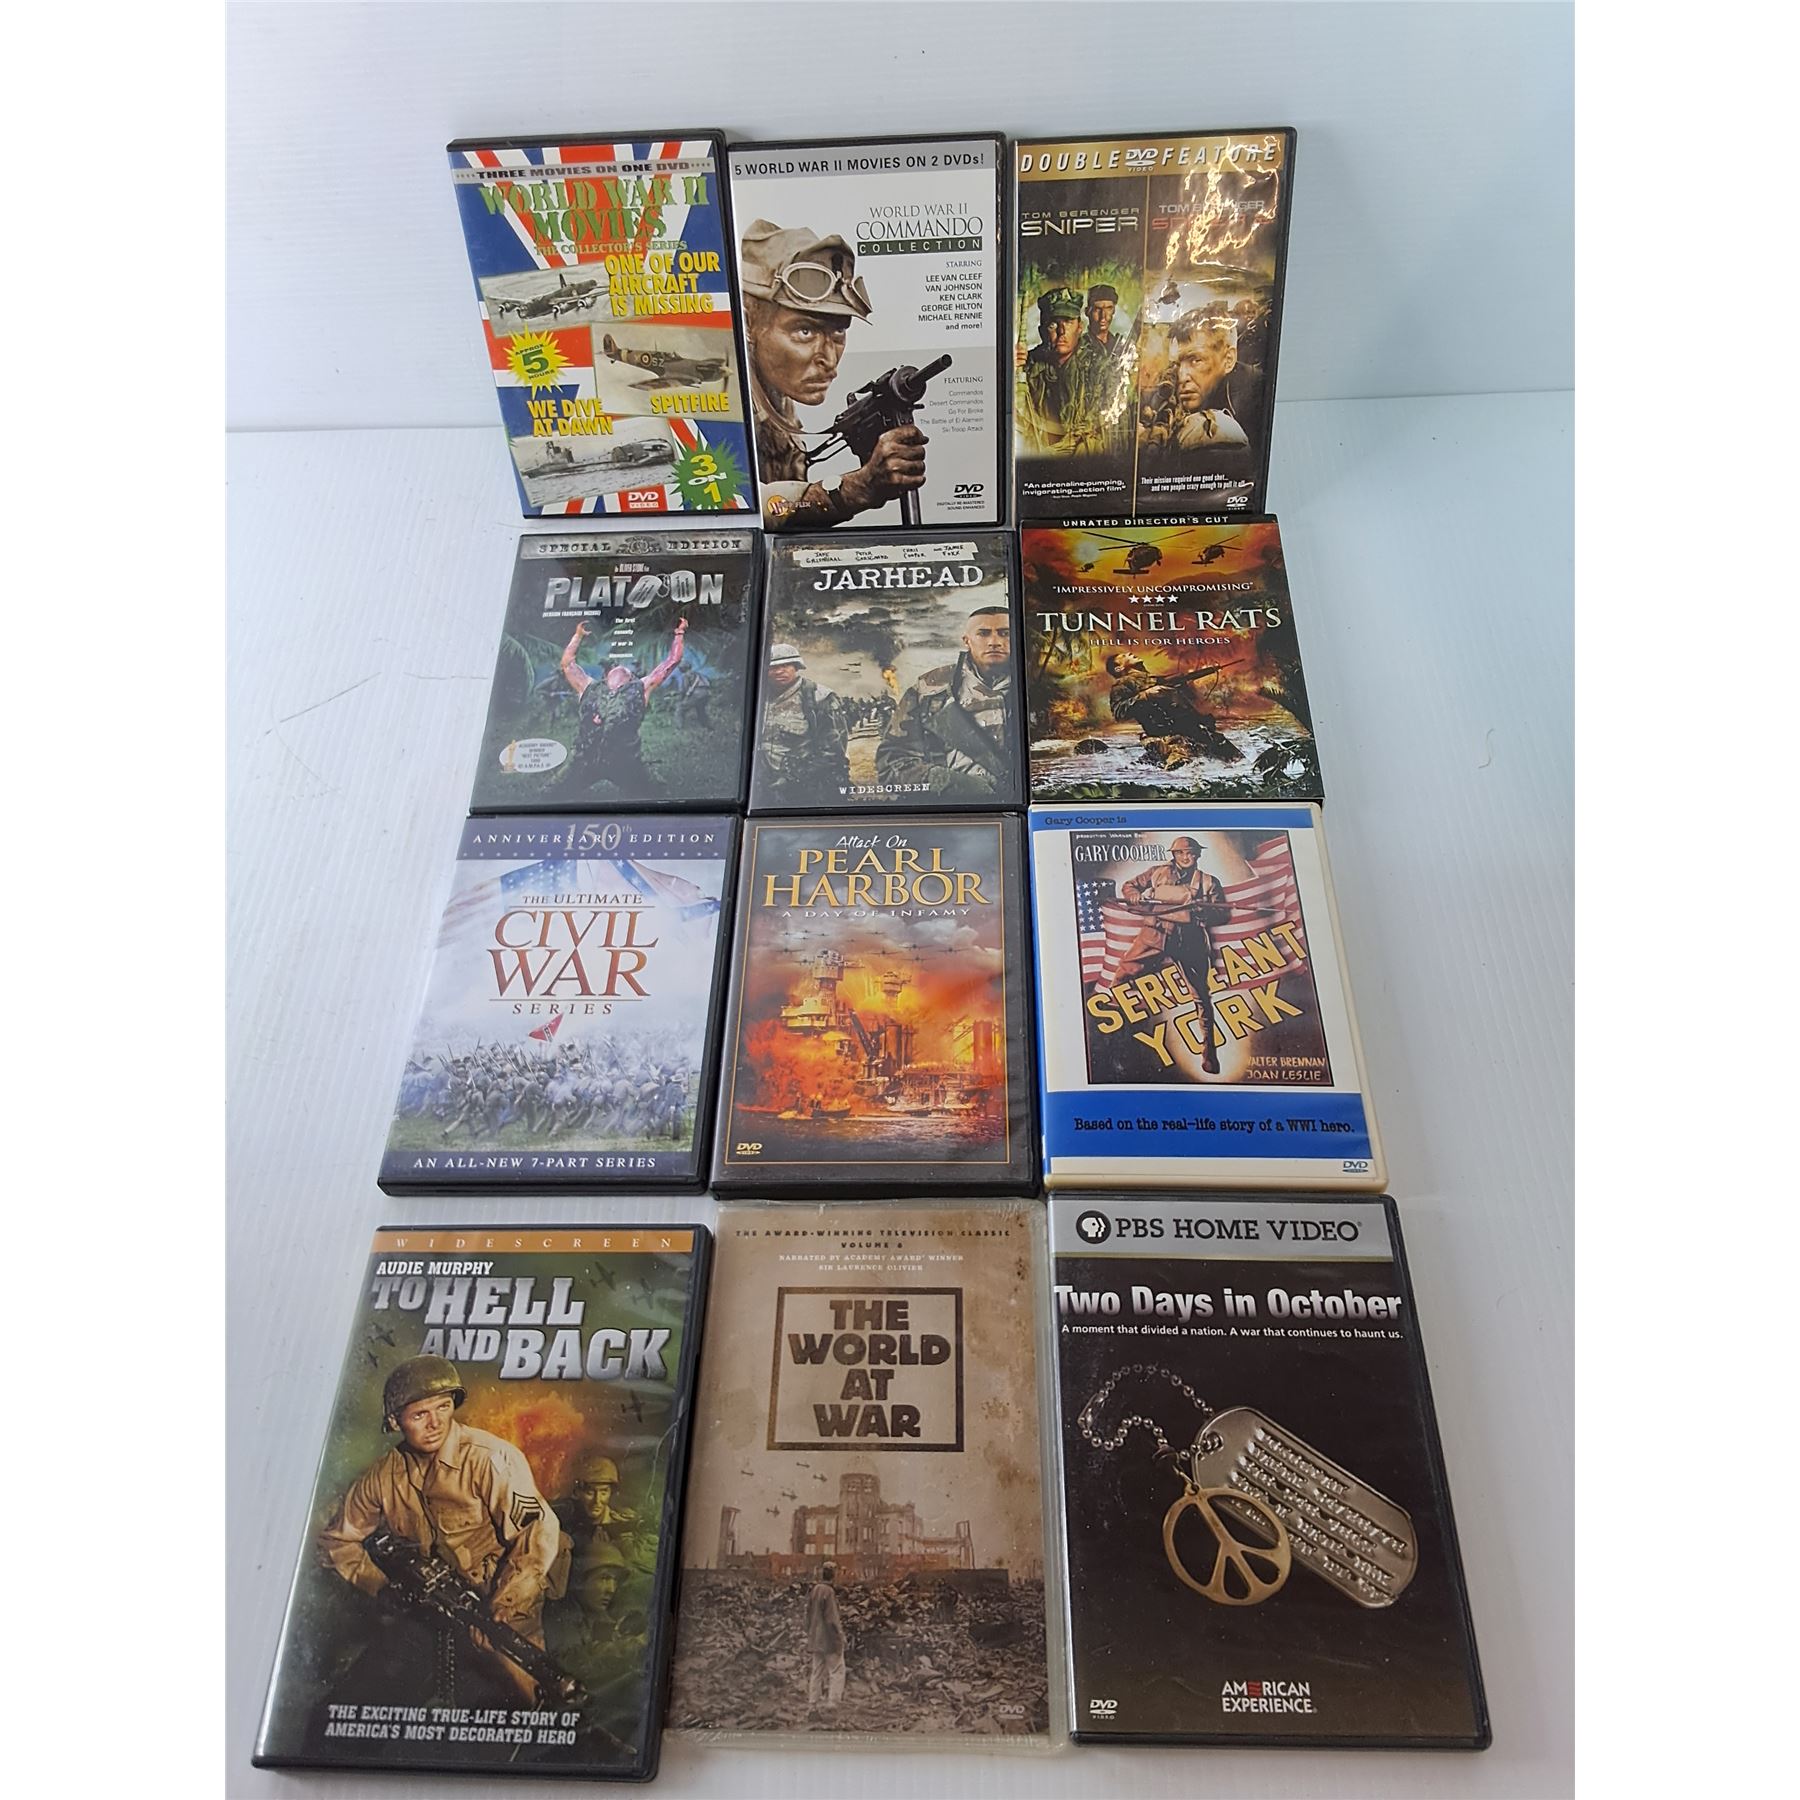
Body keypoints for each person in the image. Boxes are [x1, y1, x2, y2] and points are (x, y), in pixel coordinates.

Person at [317, 1356, 561, 1705]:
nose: (436, 1423)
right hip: (426, 1613)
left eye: (443, 1407)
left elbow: (537, 1534)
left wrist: (504, 1605)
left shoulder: (489, 1458)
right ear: (395, 1420)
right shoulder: (384, 1477)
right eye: (420, 1415)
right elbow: (337, 1541)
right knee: (359, 1700)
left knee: (532, 1702)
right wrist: (382, 1587)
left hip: (497, 1606)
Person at [739, 221, 927, 528]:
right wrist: (853, 489)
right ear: (748, 323)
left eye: (838, 331)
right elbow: (733, 504)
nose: (828, 360)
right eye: (804, 331)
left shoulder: (776, 397)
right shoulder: (712, 395)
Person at [1115, 837, 1231, 1074]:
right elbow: (1129, 886)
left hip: (1190, 940)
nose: (1186, 857)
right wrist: (1134, 895)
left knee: (1201, 996)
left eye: (1190, 853)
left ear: (1198, 855)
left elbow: (1222, 914)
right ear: (1174, 855)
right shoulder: (1157, 872)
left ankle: (1209, 1051)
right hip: (1155, 933)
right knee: (1121, 979)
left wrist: (1203, 912)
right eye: (1181, 853)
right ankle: (1115, 1043)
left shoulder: (1209, 882)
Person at [876, 603, 1017, 798]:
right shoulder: (930, 688)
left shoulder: (1042, 686)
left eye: (1005, 633)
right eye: (983, 633)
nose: (994, 642)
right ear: (967, 640)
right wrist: (955, 783)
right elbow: (892, 762)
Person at [556, 616, 687, 797]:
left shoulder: (641, 687)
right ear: (606, 675)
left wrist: (679, 633)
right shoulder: (588, 686)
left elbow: (672, 661)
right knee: (550, 793)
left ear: (631, 677)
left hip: (626, 762)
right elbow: (567, 664)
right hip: (584, 759)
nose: (621, 667)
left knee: (659, 793)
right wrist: (577, 636)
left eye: (626, 670)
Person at [1139, 308, 1251, 461]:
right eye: (1177, 364)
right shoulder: (1176, 388)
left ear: (1228, 359)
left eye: (1196, 360)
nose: (1182, 376)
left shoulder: (1252, 397)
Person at [1015, 286, 1110, 455]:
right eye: (1053, 324)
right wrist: (1009, 370)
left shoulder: (1098, 367)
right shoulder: (1030, 365)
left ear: (1080, 327)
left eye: (1068, 322)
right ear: (1042, 331)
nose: (1061, 332)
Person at [1104, 649, 1239, 758]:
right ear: (1119, 668)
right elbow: (1119, 712)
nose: (1129, 653)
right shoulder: (1122, 684)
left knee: (1236, 760)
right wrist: (1146, 695)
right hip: (1168, 736)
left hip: (1193, 729)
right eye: (1124, 656)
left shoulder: (1154, 680)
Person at [758, 643, 849, 804]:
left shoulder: (819, 698)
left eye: (785, 665)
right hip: (764, 787)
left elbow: (832, 753)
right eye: (773, 667)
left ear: (797, 666)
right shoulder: (757, 696)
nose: (779, 671)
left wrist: (793, 777)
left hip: (808, 787)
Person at [805, 1562, 847, 1716]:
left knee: (816, 1672)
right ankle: (833, 1704)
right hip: (829, 1639)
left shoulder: (815, 1590)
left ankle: (813, 1704)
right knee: (837, 1670)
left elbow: (808, 1615)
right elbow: (832, 1620)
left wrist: (810, 1633)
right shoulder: (829, 1592)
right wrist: (840, 1638)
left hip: (816, 1639)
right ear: (833, 1575)